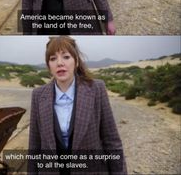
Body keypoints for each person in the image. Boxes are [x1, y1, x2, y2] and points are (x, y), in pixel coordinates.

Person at [28, 37, 127, 174]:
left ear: (76, 61)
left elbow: (111, 140)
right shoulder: (38, 95)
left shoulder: (96, 89)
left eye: (66, 57)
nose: (60, 63)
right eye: (53, 59)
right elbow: (35, 145)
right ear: (48, 65)